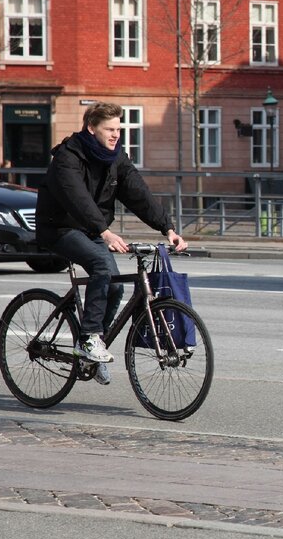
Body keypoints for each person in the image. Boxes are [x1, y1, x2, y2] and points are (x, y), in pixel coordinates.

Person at [35, 102, 187, 385]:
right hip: (60, 227)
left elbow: (138, 193)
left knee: (115, 286)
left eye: (119, 128)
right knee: (101, 265)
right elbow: (76, 199)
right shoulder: (68, 157)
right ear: (91, 128)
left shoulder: (116, 158)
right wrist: (104, 232)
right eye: (110, 129)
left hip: (93, 228)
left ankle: (93, 346)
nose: (116, 134)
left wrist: (167, 227)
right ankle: (89, 338)